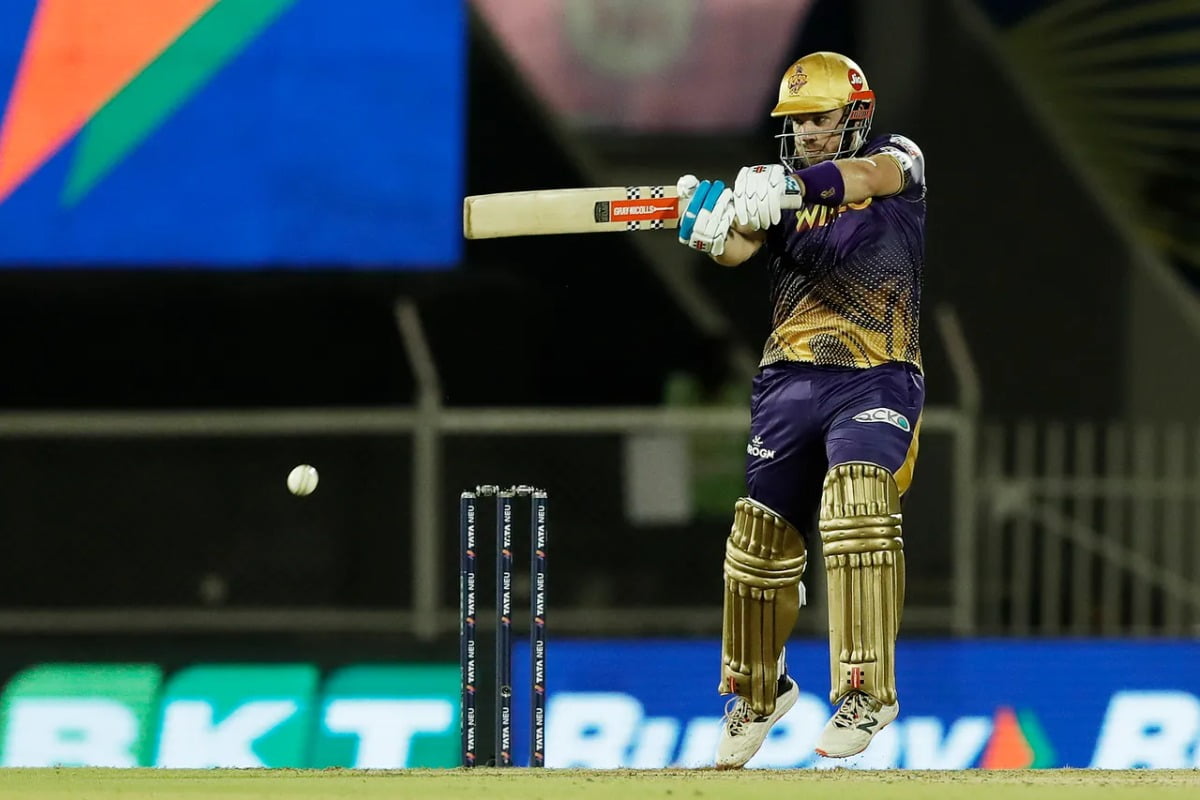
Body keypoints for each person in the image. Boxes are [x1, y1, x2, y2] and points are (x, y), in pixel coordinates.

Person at [675, 51, 926, 768]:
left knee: (857, 499)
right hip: (787, 380)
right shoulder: (779, 189)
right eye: (797, 121)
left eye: (820, 117)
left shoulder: (897, 159)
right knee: (758, 541)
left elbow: (864, 178)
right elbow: (739, 249)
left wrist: (790, 185)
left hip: (875, 375)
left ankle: (866, 693)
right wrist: (708, 227)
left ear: (855, 113)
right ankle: (758, 692)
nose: (809, 132)